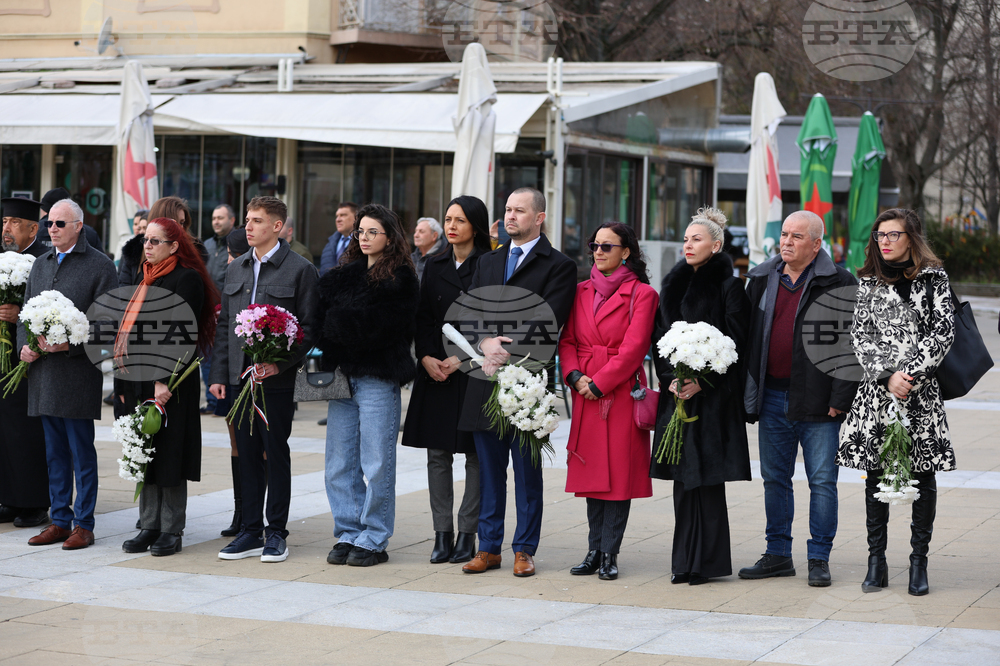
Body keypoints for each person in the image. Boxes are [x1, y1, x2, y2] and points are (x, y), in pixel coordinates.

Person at [459, 187, 577, 578]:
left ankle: (524, 549)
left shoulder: (558, 265)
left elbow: (550, 318)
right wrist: (484, 342)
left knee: (527, 473)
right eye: (507, 210)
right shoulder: (488, 260)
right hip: (485, 380)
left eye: (519, 211)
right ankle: (488, 547)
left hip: (527, 383)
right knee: (489, 472)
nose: (510, 216)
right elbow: (470, 309)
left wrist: (504, 348)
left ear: (539, 217)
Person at [837, 208, 955, 596]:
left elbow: (942, 333)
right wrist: (888, 376)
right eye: (879, 236)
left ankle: (918, 562)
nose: (884, 242)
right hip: (878, 391)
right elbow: (860, 336)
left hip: (921, 394)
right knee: (874, 473)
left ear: (911, 238)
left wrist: (911, 376)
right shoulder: (867, 280)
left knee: (922, 474)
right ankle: (877, 561)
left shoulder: (934, 278)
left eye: (893, 235)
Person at [739, 210, 859, 587]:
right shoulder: (761, 277)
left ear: (816, 244)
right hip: (772, 395)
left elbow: (850, 347)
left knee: (822, 480)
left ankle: (819, 557)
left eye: (796, 236)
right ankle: (777, 554)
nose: (786, 242)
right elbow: (747, 337)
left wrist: (840, 397)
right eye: (784, 235)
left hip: (820, 400)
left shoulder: (839, 281)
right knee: (775, 478)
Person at [209, 196, 319, 563]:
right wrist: (219, 374)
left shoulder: (300, 269)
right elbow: (225, 324)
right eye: (247, 220)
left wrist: (280, 363)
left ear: (277, 226)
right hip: (241, 378)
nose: (248, 227)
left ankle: (276, 532)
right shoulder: (237, 268)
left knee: (275, 452)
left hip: (276, 381)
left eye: (257, 221)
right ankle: (250, 531)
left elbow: (309, 327)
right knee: (248, 453)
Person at [650, 209, 752, 584]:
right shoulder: (671, 286)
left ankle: (705, 563)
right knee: (682, 479)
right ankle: (683, 561)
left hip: (714, 400)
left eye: (696, 239)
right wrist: (671, 379)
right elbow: (659, 339)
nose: (687, 245)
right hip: (676, 396)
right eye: (686, 239)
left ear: (716, 244)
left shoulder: (730, 286)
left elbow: (738, 343)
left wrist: (703, 381)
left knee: (707, 480)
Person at [317, 203, 419, 567]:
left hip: (378, 377)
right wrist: (343, 324)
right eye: (360, 231)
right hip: (340, 376)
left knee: (376, 462)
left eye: (372, 231)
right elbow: (321, 318)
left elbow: (386, 328)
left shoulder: (402, 278)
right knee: (339, 463)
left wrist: (342, 323)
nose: (363, 237)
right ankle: (347, 531)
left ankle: (374, 536)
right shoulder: (342, 274)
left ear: (389, 237)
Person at [559, 222, 657, 581]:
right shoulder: (580, 290)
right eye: (594, 245)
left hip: (617, 392)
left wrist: (598, 383)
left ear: (625, 251)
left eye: (607, 246)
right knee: (593, 475)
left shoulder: (643, 294)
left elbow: (634, 349)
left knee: (618, 477)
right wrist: (574, 377)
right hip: (584, 389)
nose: (598, 251)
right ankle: (592, 550)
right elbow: (567, 340)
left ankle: (609, 553)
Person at [116, 217, 219, 556]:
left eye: (156, 241)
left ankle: (171, 529)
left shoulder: (186, 279)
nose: (147, 246)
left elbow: (181, 333)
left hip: (171, 380)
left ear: (174, 246)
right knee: (144, 448)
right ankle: (149, 524)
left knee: (170, 451)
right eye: (146, 240)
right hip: (140, 377)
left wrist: (163, 378)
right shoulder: (141, 276)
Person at [21, 199, 118, 550]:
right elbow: (24, 313)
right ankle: (59, 520)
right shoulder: (40, 264)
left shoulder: (101, 266)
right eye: (50, 224)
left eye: (60, 223)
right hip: (44, 374)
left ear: (79, 225)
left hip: (77, 374)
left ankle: (84, 523)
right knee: (54, 452)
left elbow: (108, 326)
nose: (53, 229)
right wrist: (24, 347)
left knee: (81, 452)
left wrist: (70, 347)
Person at [401, 197, 492, 564]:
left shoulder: (489, 264)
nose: (452, 226)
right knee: (437, 454)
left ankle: (467, 534)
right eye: (448, 219)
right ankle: (442, 533)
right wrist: (425, 356)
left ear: (476, 226)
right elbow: (422, 317)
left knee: (475, 455)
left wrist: (461, 358)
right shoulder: (434, 263)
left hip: (472, 372)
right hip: (434, 369)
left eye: (460, 220)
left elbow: (492, 319)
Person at [0, 198, 50, 529]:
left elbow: (55, 306)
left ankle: (34, 503)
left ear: (33, 227)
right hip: (2, 360)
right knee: (4, 431)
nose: (6, 228)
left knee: (27, 432)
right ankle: (9, 498)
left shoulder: (44, 260)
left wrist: (22, 316)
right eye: (4, 221)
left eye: (15, 222)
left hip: (32, 361)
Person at [218, 227, 251, 538]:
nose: (227, 258)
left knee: (261, 447)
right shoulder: (231, 275)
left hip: (263, 373)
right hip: (234, 373)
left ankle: (257, 511)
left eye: (230, 252)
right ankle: (240, 509)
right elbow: (223, 330)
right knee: (236, 444)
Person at [201, 203, 236, 415]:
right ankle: (211, 401)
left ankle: (221, 401)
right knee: (206, 357)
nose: (216, 221)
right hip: (207, 310)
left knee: (220, 356)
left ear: (231, 220)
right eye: (214, 217)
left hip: (227, 311)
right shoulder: (207, 245)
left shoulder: (237, 245)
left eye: (221, 218)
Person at [319, 202, 358, 273]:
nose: (338, 219)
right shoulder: (329, 244)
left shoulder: (362, 244)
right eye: (337, 216)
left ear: (356, 218)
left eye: (343, 215)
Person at [410, 217, 447, 282]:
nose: (416, 235)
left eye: (421, 232)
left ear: (434, 236)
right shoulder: (411, 258)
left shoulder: (445, 258)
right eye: (415, 231)